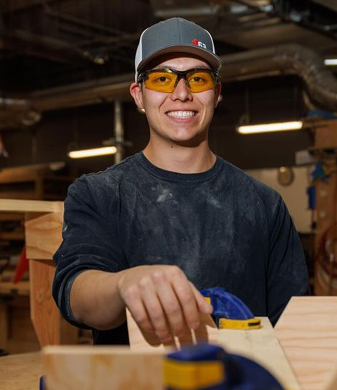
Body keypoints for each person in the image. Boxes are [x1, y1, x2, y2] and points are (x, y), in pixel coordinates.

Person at [52, 17, 307, 346]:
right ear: (139, 95)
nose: (182, 93)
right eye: (162, 78)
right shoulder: (99, 194)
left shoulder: (263, 204)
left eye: (197, 79)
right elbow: (75, 295)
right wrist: (123, 285)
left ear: (215, 94)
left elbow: (295, 321)